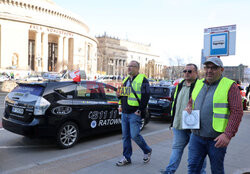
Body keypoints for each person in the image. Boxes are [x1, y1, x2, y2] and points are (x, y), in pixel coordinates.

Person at [186, 57, 243, 174]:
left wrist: (227, 135)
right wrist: (189, 106)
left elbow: (237, 111)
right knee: (192, 169)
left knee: (216, 170)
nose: (209, 70)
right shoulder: (199, 83)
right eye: (207, 67)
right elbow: (192, 99)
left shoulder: (230, 86)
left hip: (217, 139)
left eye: (214, 68)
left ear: (221, 70)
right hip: (196, 137)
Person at [161, 64, 206, 174]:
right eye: (184, 71)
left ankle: (201, 172)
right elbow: (175, 103)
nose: (186, 73)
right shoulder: (180, 84)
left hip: (194, 127)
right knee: (176, 149)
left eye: (189, 71)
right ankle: (169, 171)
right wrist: (173, 121)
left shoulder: (201, 85)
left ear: (196, 73)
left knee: (198, 153)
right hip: (179, 125)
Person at [116, 60, 152, 166]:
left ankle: (147, 150)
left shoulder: (143, 80)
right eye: (128, 66)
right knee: (125, 137)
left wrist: (139, 110)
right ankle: (126, 157)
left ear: (137, 68)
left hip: (134, 113)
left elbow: (146, 97)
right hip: (125, 112)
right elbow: (123, 95)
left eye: (132, 66)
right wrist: (119, 99)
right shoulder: (126, 79)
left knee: (135, 135)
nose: (129, 68)